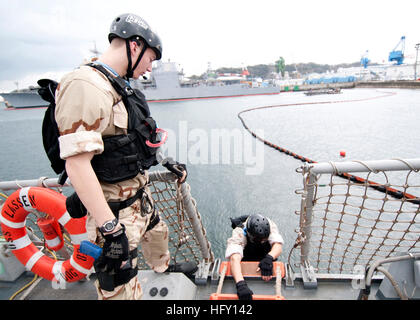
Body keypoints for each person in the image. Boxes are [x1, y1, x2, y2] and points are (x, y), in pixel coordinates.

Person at [55, 13, 191, 300]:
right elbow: (76, 164)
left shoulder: (121, 87)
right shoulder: (86, 85)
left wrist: (165, 161)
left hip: (139, 197)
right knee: (118, 284)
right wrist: (109, 228)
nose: (149, 67)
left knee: (158, 234)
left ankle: (162, 267)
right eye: (150, 59)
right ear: (134, 46)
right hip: (113, 211)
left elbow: (137, 137)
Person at [225, 214, 284, 300]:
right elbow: (235, 257)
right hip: (247, 255)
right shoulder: (239, 233)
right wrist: (240, 284)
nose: (262, 242)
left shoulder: (270, 225)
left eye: (264, 240)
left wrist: (269, 258)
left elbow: (277, 245)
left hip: (265, 255)